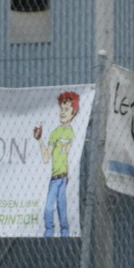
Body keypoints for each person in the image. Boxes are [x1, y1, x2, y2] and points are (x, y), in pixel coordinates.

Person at [36, 91, 80, 237]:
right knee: (49, 208)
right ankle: (49, 234)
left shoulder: (73, 132)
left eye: (66, 109)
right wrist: (40, 140)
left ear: (74, 113)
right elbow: (46, 157)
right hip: (55, 178)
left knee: (62, 207)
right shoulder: (55, 133)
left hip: (64, 177)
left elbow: (69, 149)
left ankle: (65, 234)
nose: (62, 112)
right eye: (61, 108)